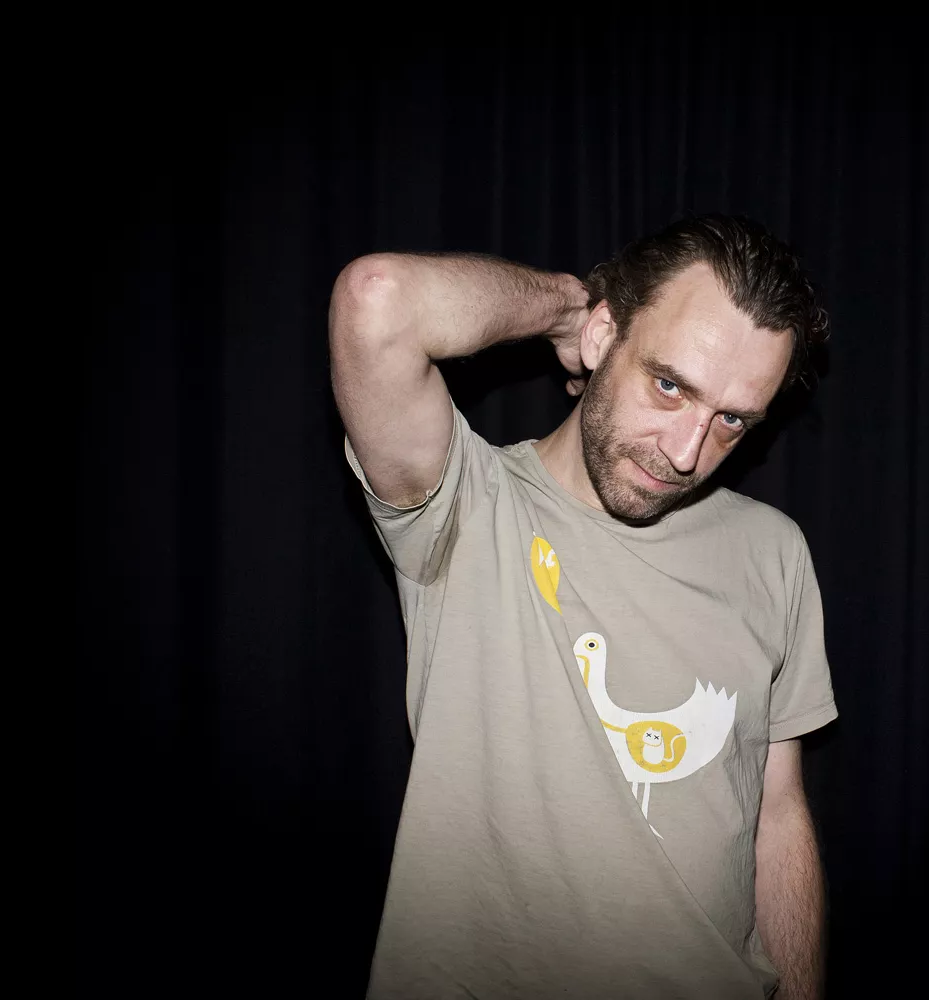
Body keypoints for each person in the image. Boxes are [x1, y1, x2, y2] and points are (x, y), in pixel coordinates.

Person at [329, 215, 837, 999]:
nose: (686, 452)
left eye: (732, 419)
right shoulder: (467, 502)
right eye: (670, 386)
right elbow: (377, 299)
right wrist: (566, 307)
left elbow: (778, 811)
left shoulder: (773, 550)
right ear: (605, 336)